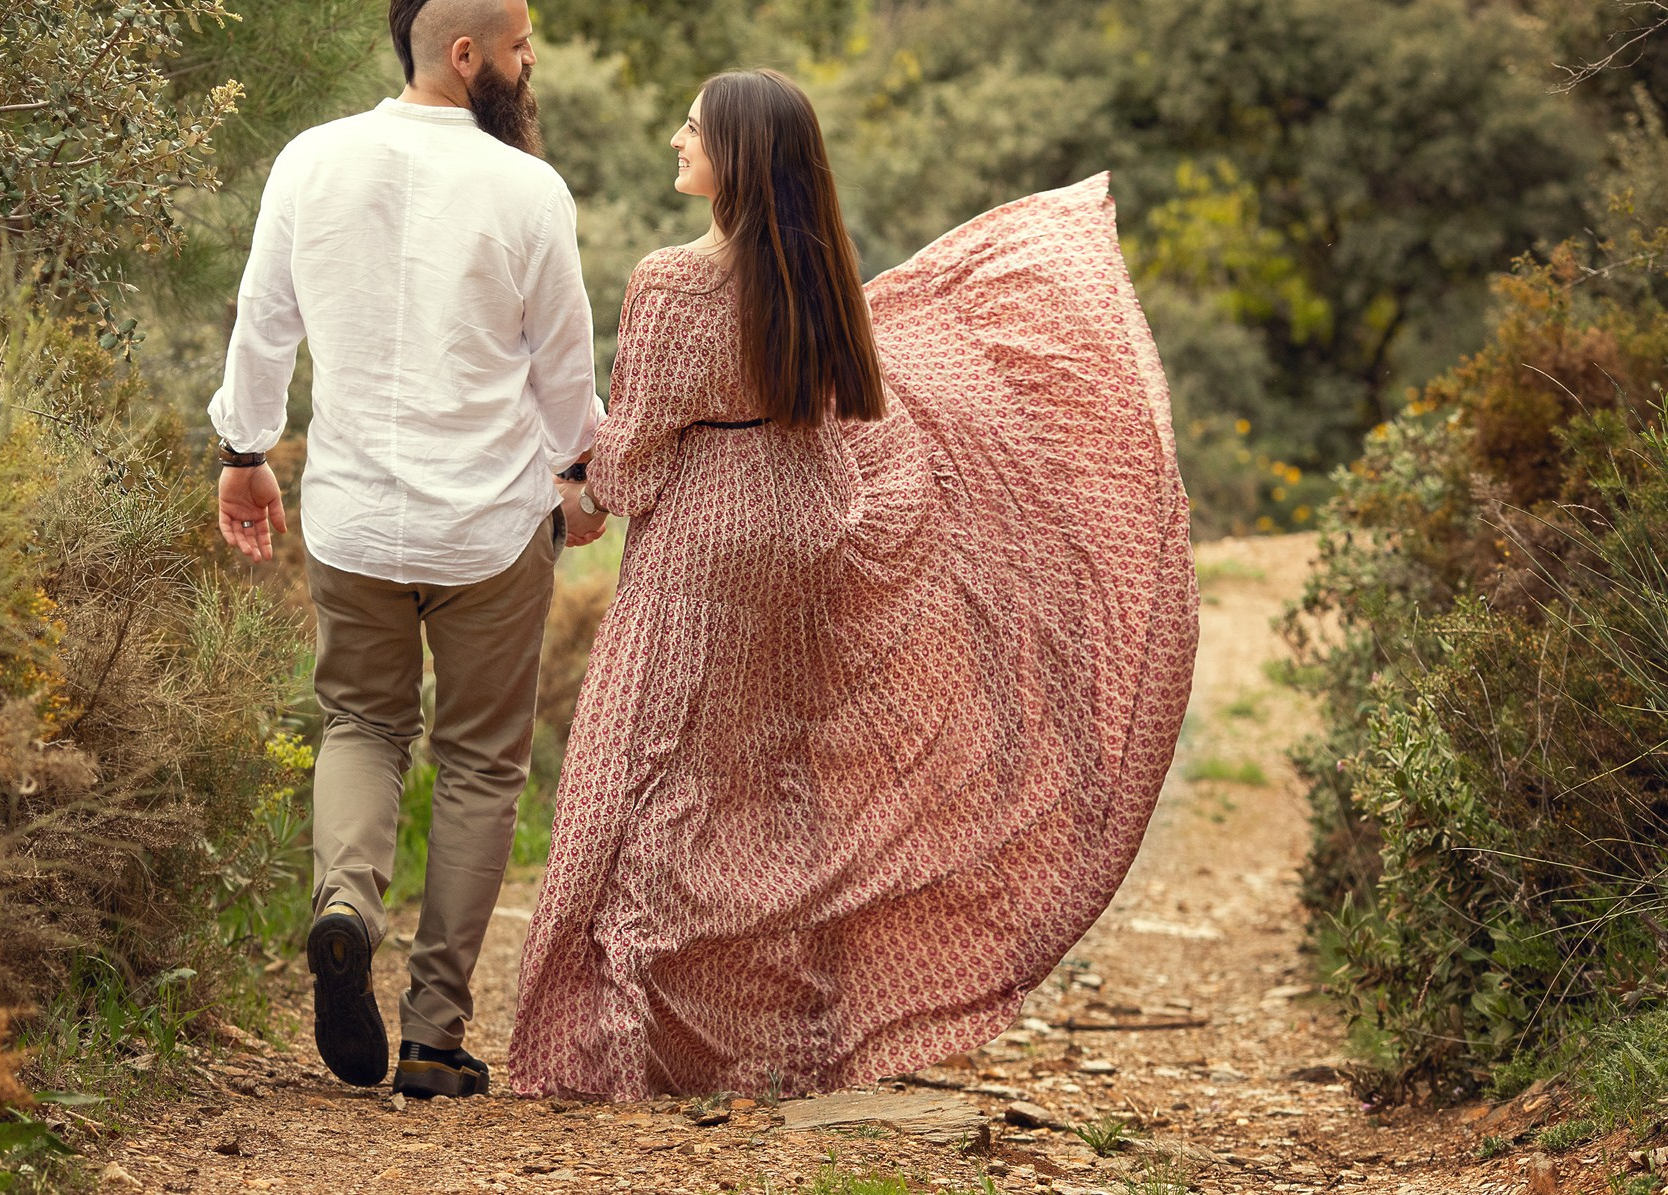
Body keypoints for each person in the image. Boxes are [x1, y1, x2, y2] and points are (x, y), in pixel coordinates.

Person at [508, 68, 1199, 1099]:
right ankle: (774, 1036)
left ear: (734, 155)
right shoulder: (817, 270)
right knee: (767, 769)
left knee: (643, 759)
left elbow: (640, 451)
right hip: (805, 522)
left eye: (689, 127)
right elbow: (841, 410)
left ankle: (616, 1034)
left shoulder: (669, 278)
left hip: (710, 536)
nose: (672, 138)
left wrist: (579, 479)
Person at [209, 0, 607, 1099]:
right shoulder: (527, 190)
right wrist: (581, 478)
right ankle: (434, 1034)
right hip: (488, 527)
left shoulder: (310, 160)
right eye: (522, 47)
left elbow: (262, 323)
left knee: (359, 724)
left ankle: (344, 900)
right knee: (481, 763)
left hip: (350, 516)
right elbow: (563, 372)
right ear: (468, 54)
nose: (532, 66)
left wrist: (244, 452)